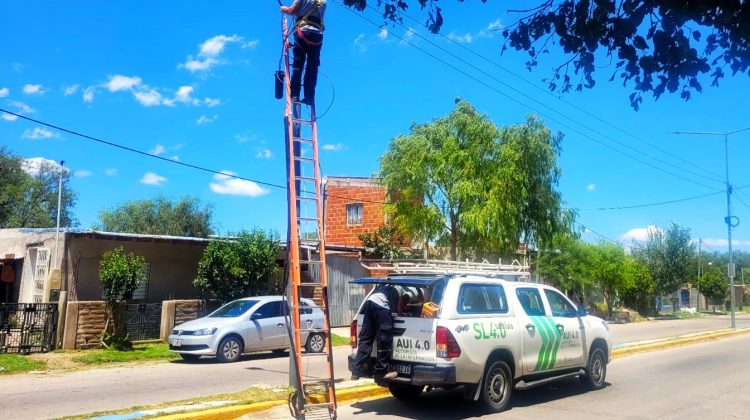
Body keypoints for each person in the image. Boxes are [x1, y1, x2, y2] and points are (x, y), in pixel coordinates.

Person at [351, 283, 412, 380]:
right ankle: (381, 371)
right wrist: (402, 313)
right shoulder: (403, 291)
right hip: (381, 307)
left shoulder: (385, 285)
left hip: (369, 303)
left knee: (366, 338)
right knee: (384, 339)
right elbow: (398, 308)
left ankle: (356, 370)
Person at [280, 0, 326, 106]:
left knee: (298, 65)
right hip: (317, 36)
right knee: (312, 68)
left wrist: (283, 9)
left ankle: (295, 95)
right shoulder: (323, 2)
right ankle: (309, 97)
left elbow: (292, 11)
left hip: (303, 33)